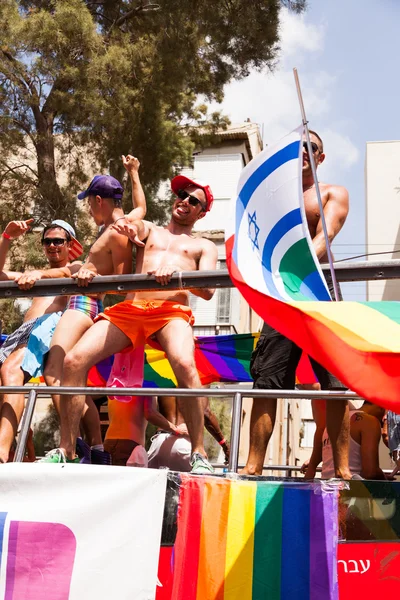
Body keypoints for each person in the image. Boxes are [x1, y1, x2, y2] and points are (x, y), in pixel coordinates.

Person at [40, 174, 218, 473]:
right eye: (182, 195)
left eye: (193, 200)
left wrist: (176, 272)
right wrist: (122, 228)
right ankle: (67, 449)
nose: (185, 201)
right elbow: (133, 221)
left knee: (185, 366)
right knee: (73, 360)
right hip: (132, 309)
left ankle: (199, 454)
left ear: (201, 212)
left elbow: (210, 290)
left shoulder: (204, 245)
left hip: (170, 310)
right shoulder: (151, 230)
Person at [18, 155, 146, 463]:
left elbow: (117, 281)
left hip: (83, 303)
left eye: (89, 203)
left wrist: (93, 275)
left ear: (98, 200)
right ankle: (91, 447)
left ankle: (71, 447)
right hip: (83, 303)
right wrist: (134, 173)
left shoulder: (115, 231)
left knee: (54, 373)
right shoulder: (126, 221)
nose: (88, 210)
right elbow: (141, 206)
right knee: (67, 375)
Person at [242, 130, 352, 478]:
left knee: (334, 383)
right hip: (280, 293)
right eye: (298, 146)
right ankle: (253, 465)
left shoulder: (332, 193)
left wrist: (293, 266)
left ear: (321, 157)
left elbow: (326, 235)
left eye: (312, 148)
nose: (304, 152)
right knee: (267, 380)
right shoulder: (276, 197)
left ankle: (342, 471)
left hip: (318, 288)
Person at [0, 220, 81, 463]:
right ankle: (22, 448)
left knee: (12, 371)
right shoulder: (36, 274)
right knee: (6, 381)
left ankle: (2, 454)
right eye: (47, 241)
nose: (52, 245)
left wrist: (38, 274)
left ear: (70, 245)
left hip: (52, 325)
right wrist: (6, 237)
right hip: (24, 331)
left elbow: (68, 272)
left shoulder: (77, 265)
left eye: (59, 241)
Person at [148, 395, 230, 471]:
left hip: (160, 441)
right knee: (197, 484)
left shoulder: (162, 379)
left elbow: (150, 412)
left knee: (153, 485)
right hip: (184, 443)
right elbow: (206, 414)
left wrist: (174, 428)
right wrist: (225, 445)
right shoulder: (196, 380)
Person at [321, 401, 386, 480]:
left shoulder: (334, 423)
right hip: (351, 486)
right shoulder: (369, 421)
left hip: (326, 486)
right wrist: (385, 481)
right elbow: (370, 472)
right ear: (381, 408)